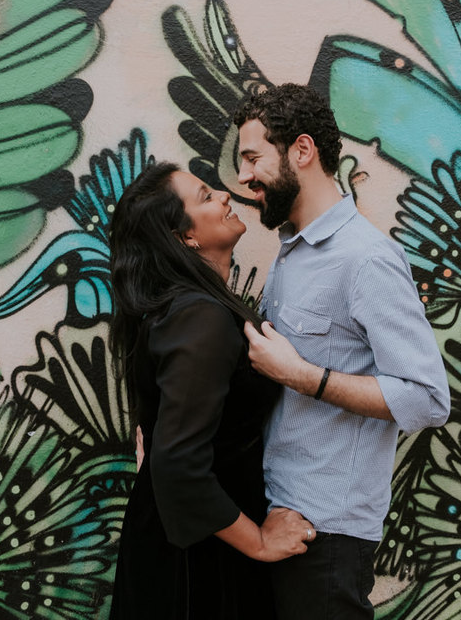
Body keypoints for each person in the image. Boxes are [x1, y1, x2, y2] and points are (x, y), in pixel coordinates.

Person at [234, 83, 451, 619]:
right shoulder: (293, 251)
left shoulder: (366, 259)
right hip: (277, 520)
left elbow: (427, 398)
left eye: (253, 157)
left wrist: (304, 375)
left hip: (325, 537)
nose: (243, 177)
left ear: (301, 151)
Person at [108, 161, 315, 620]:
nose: (224, 196)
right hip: (197, 562)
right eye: (205, 196)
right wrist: (259, 542)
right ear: (185, 238)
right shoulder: (199, 317)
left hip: (200, 540)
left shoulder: (188, 310)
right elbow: (178, 463)